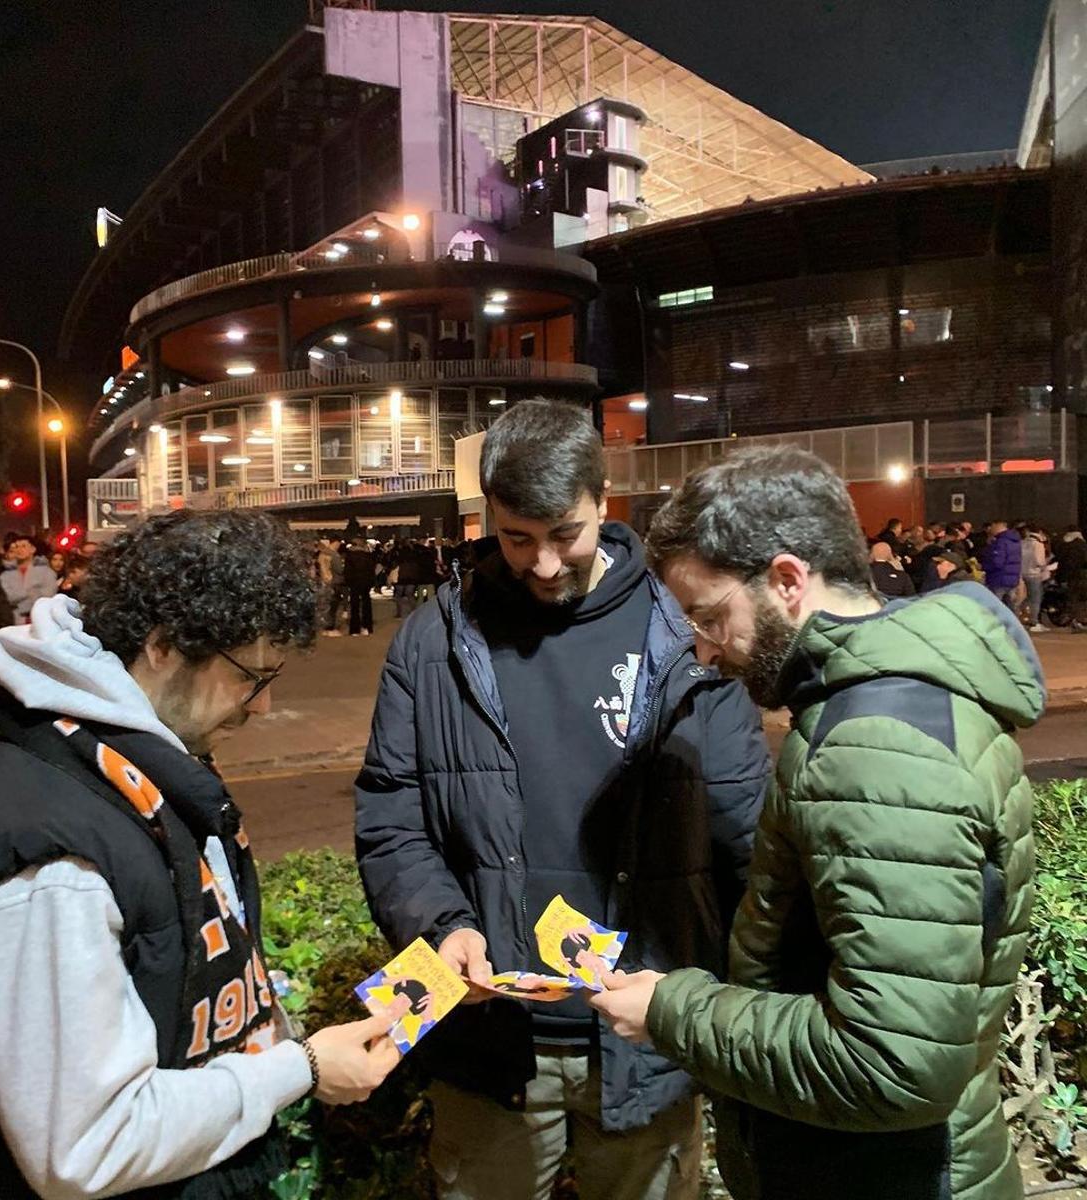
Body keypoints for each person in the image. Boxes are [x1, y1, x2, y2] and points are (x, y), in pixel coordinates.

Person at [0, 510, 400, 1200]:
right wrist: (299, 1070)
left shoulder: (126, 762)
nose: (265, 703)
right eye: (252, 674)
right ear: (162, 646)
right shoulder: (57, 857)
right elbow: (86, 1146)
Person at [590, 444, 1045, 1200]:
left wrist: (674, 1010)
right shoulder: (892, 705)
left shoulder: (874, 746)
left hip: (882, 1175)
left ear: (788, 581)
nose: (704, 650)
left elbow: (893, 1063)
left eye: (710, 616)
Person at [355, 399, 769, 1200]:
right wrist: (441, 925)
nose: (542, 564)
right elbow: (392, 817)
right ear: (487, 516)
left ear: (602, 503)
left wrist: (742, 1009)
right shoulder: (435, 639)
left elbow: (746, 827)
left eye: (564, 535)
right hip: (493, 1043)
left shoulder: (678, 629)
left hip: (647, 1032)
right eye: (516, 539)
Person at [0, 533, 59, 623]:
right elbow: (7, 597)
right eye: (16, 547)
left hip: (41, 619)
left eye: (23, 546)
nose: (19, 550)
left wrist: (20, 598)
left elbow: (48, 595)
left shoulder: (46, 572)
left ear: (32, 549)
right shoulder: (5, 575)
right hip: (15, 621)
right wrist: (32, 592)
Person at [980, 520, 1022, 611]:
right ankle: (1012, 624)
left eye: (992, 526)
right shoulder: (1015, 541)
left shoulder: (1000, 542)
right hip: (1012, 579)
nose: (991, 529)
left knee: (994, 608)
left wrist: (984, 566)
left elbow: (997, 562)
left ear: (998, 525)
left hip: (998, 579)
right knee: (1010, 607)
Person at [343, 536, 376, 636]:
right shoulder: (367, 555)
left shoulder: (350, 556)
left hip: (354, 582)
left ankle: (354, 629)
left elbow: (347, 571)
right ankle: (367, 627)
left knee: (354, 605)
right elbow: (371, 570)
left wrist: (348, 582)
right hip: (365, 582)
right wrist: (371, 582)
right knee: (366, 604)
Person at [1059, 527, 1087, 631]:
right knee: (1082, 600)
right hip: (1082, 575)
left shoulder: (1064, 546)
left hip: (1071, 577)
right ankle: (1080, 621)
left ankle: (1074, 621)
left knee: (1073, 599)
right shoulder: (1082, 545)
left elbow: (1063, 564)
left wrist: (1062, 578)